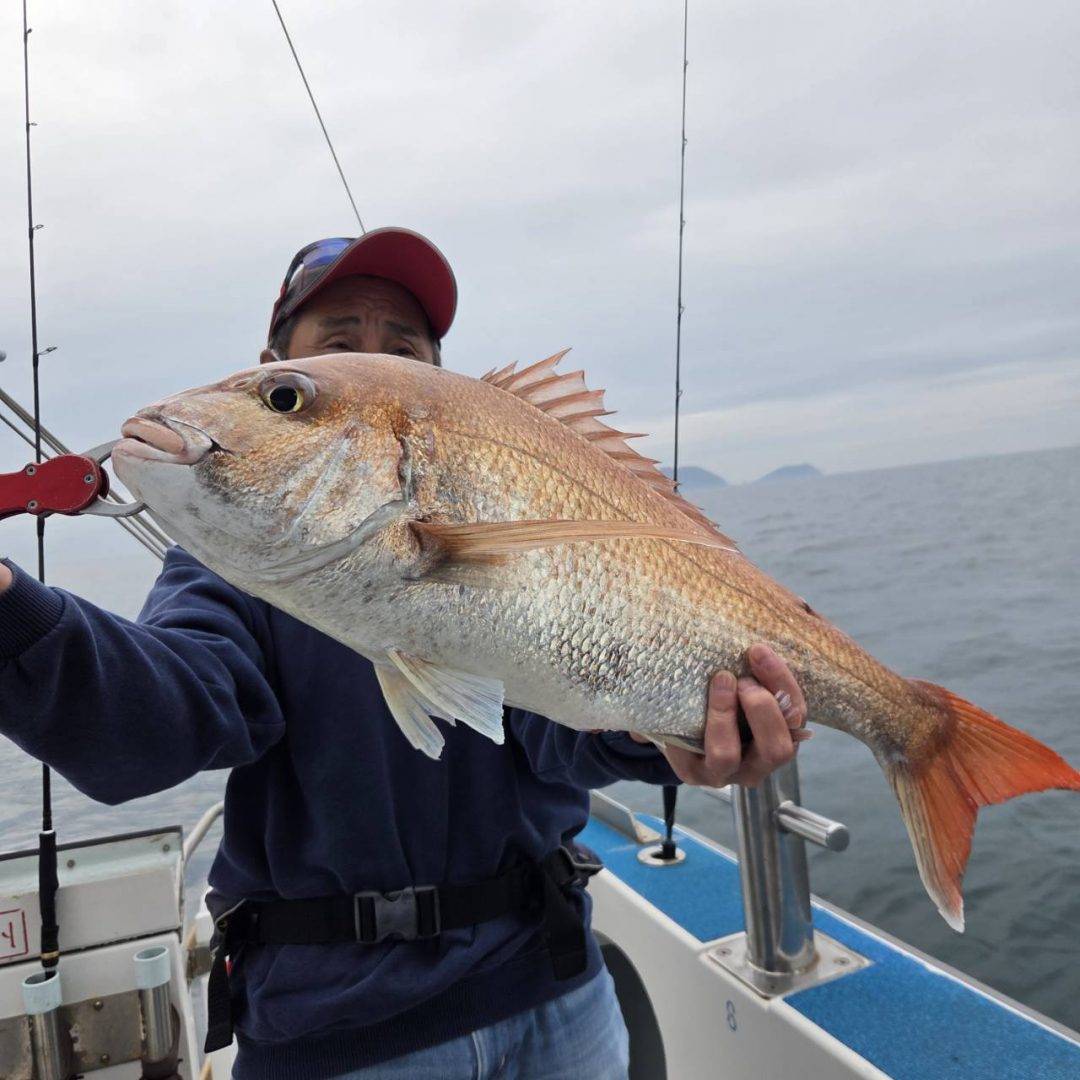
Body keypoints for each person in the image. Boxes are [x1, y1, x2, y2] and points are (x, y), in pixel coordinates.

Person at [0, 227, 806, 1079]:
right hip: (339, 1031)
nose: (375, 354)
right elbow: (160, 724)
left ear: (432, 386)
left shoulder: (496, 520)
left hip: (555, 987)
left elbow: (557, 724)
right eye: (320, 361)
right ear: (273, 355)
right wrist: (14, 617)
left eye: (406, 347)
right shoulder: (227, 569)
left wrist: (667, 734)